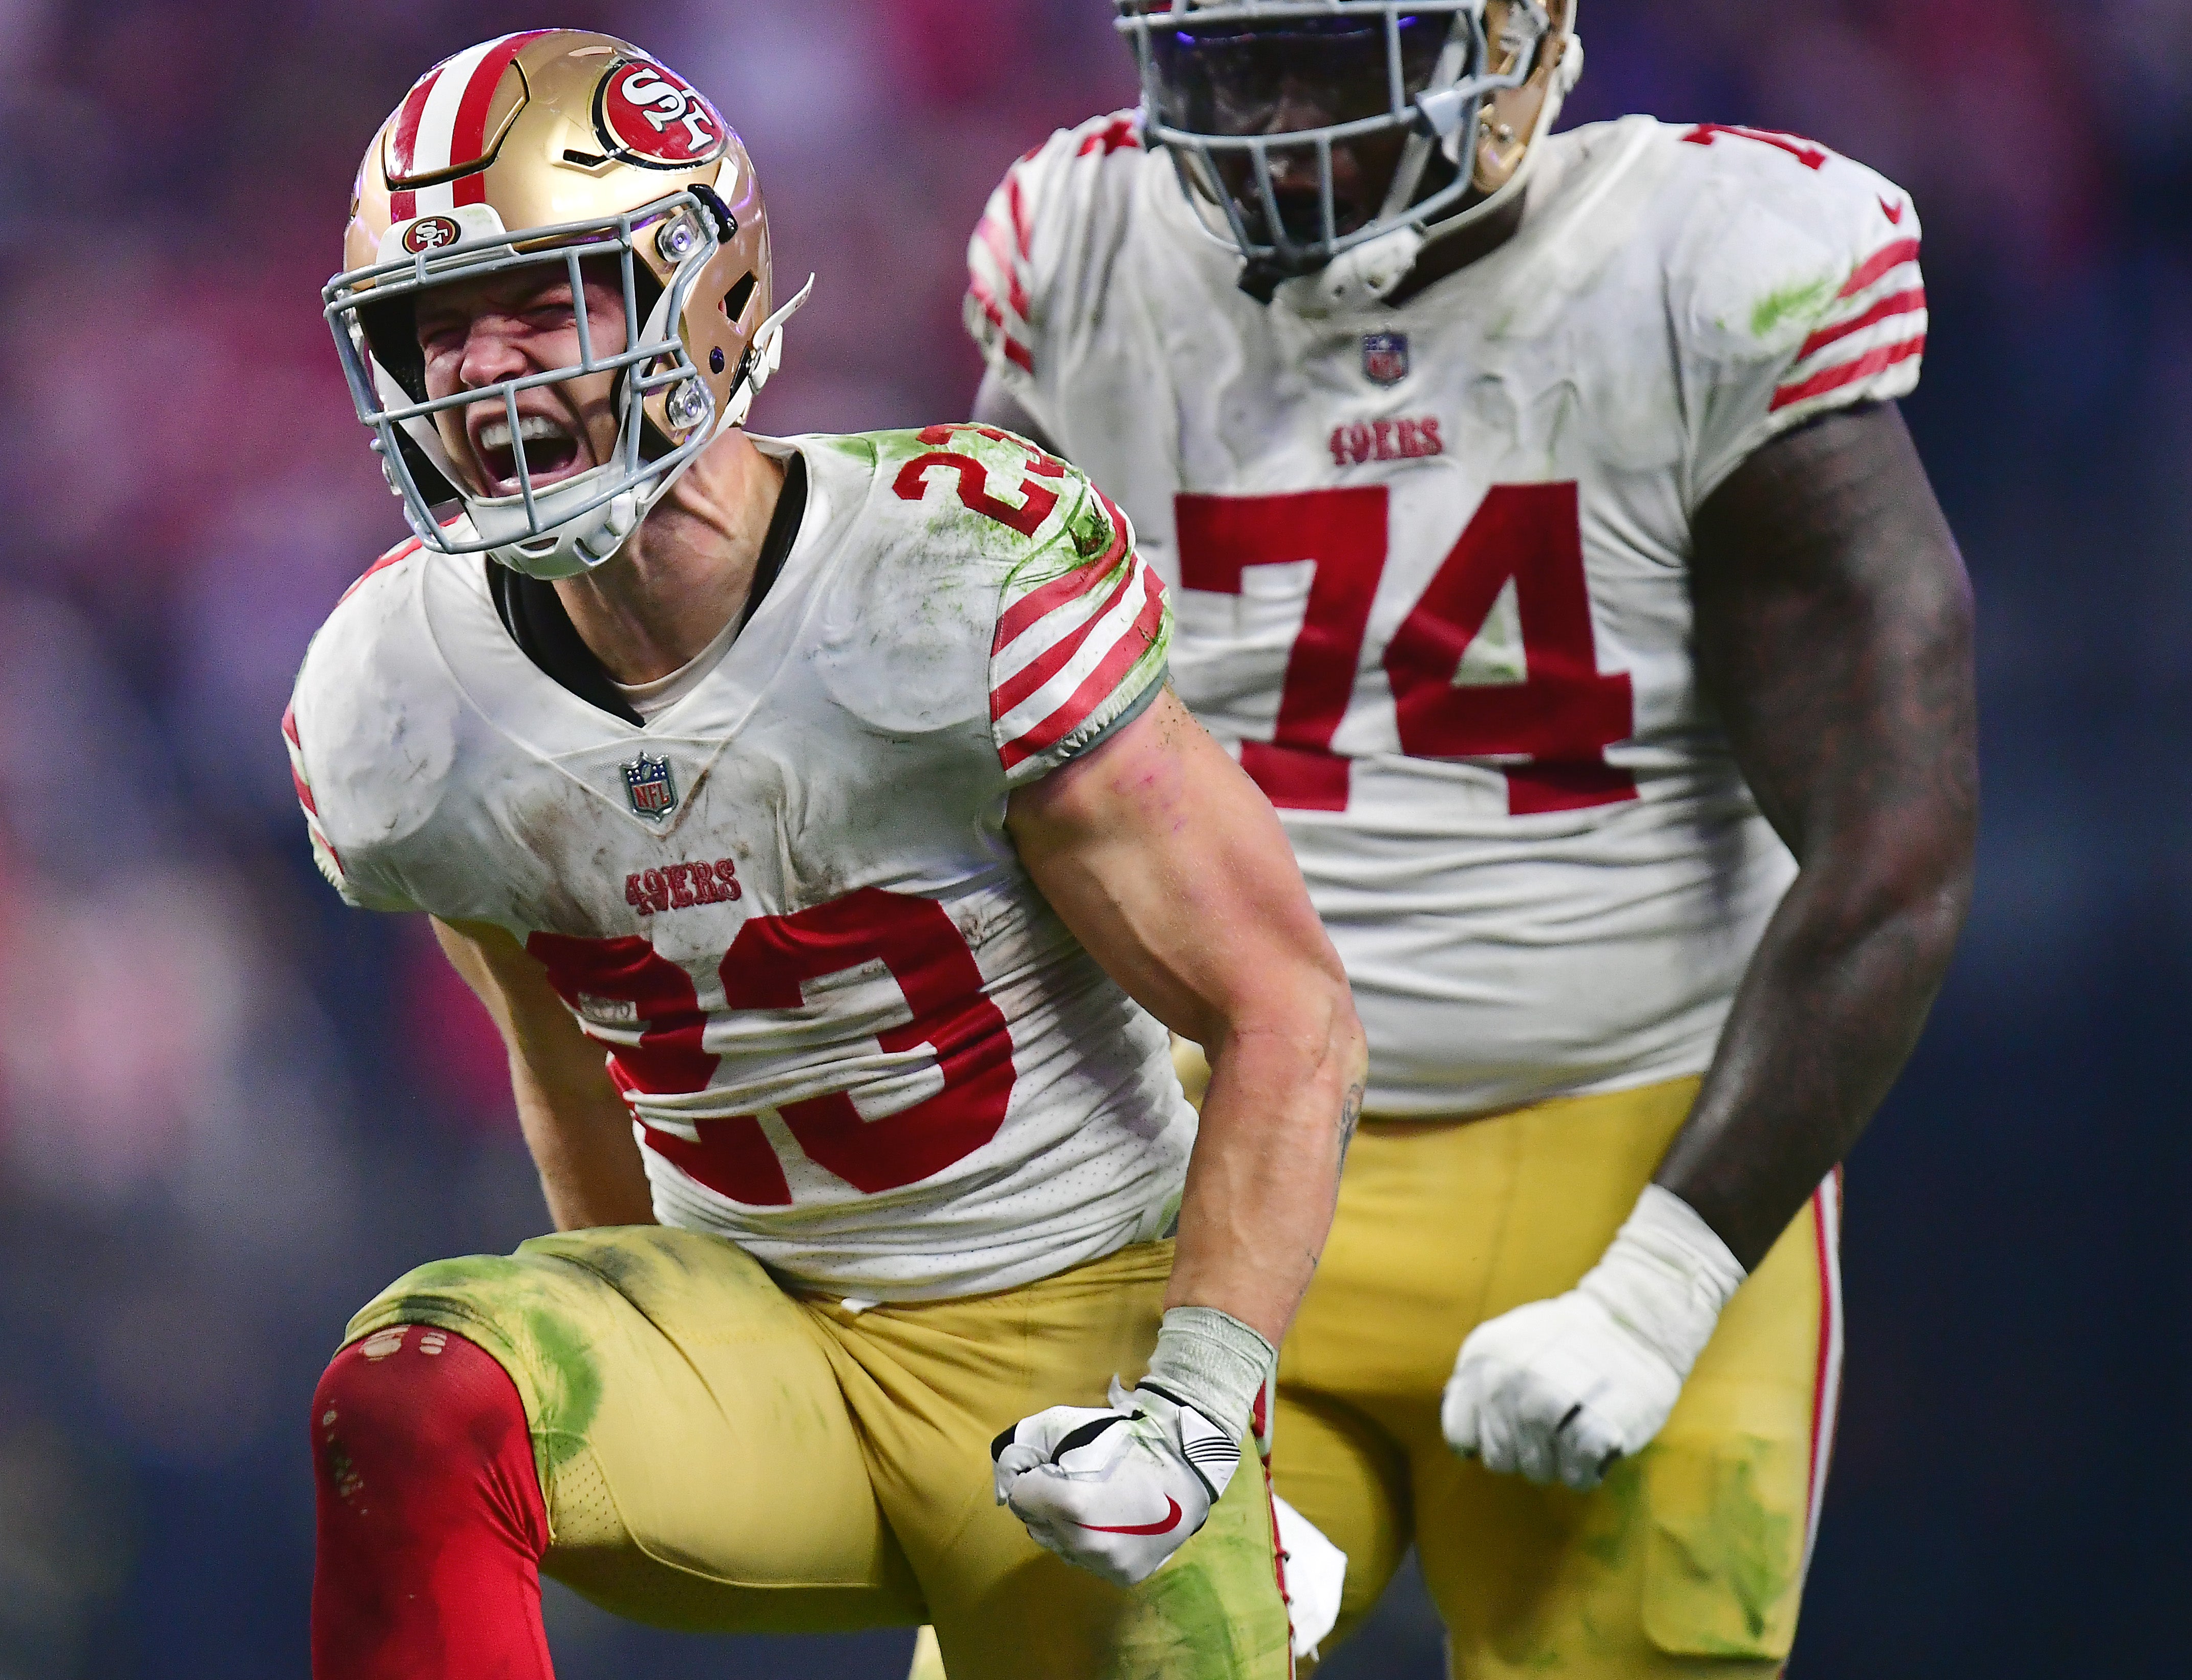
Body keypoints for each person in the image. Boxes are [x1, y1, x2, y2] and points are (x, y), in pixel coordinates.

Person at [286, 29, 1366, 1680]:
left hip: (1068, 1338)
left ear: (700, 293)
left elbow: (1285, 1014)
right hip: (759, 1342)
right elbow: (566, 1067)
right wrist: (638, 1343)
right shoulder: (398, 691)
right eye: (435, 326)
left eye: (535, 304)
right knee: (412, 1397)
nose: (480, 372)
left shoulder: (947, 575)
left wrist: (1201, 1411)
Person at [956, 3, 1977, 1675]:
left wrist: (1658, 1286)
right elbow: (956, 763)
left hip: (1627, 1162)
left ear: (1504, 42)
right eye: (1228, 65)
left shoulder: (1699, 271)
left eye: (1330, 58)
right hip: (1215, 1182)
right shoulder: (1088, 258)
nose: (1272, 124)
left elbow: (1893, 849)